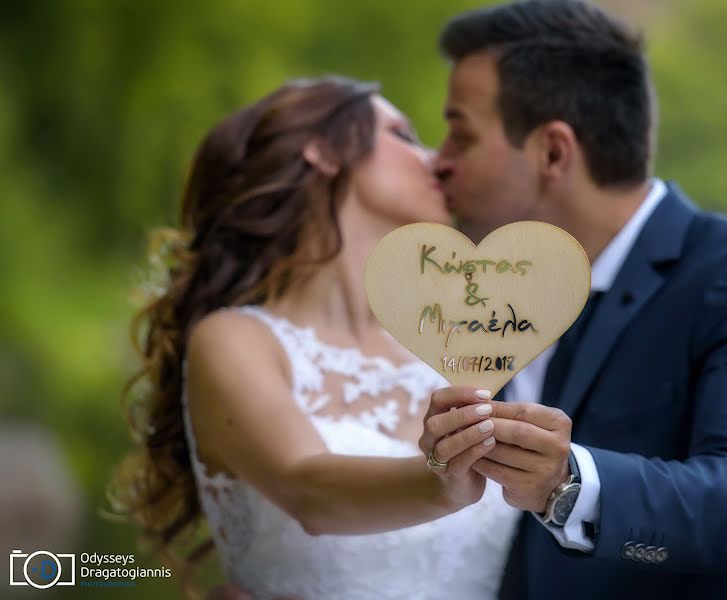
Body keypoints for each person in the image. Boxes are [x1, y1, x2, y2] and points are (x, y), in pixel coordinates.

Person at [421, 1, 727, 599]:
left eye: (460, 134)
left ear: (553, 153)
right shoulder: (485, 303)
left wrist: (564, 484)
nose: (438, 161)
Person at [107, 77, 520, 600]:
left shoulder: (455, 344)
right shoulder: (235, 339)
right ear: (322, 151)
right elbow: (306, 488)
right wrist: (443, 480)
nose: (436, 159)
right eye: (402, 135)